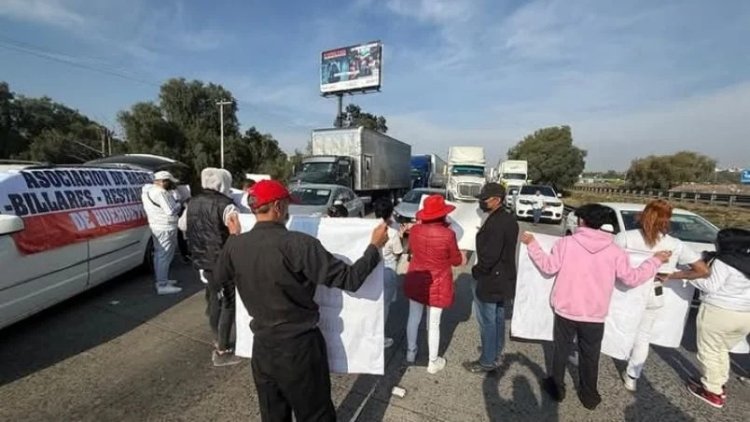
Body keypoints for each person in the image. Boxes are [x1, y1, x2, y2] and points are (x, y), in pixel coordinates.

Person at [213, 180, 388, 421]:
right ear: (277, 206)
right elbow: (350, 280)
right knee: (315, 415)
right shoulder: (298, 244)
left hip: (262, 348)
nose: (288, 211)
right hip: (299, 350)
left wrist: (233, 237)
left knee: (273, 415)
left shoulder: (236, 245)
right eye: (286, 205)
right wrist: (373, 248)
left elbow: (218, 278)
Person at [520, 203, 671, 410]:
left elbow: (548, 267)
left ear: (582, 221)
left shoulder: (566, 243)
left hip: (566, 309)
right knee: (590, 355)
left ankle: (557, 387)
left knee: (561, 350)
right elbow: (631, 278)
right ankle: (589, 395)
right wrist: (655, 261)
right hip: (595, 314)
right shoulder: (615, 250)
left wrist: (532, 244)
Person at [617, 200, 709, 391]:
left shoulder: (625, 237)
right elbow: (702, 270)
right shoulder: (675, 244)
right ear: (667, 221)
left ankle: (610, 353)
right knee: (643, 336)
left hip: (624, 291)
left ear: (644, 215)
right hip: (654, 292)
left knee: (614, 326)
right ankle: (632, 377)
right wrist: (673, 275)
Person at [183, 168, 243, 367]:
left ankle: (216, 337)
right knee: (228, 303)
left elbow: (182, 225)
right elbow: (236, 231)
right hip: (222, 261)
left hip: (202, 260)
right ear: (224, 183)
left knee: (213, 298)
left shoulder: (192, 202)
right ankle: (223, 350)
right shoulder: (226, 205)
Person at [684, 228, 750, 409]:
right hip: (745, 315)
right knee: (721, 349)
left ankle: (713, 392)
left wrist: (690, 276)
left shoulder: (724, 262)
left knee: (709, 351)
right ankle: (717, 382)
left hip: (719, 312)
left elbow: (711, 286)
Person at [403, 195, 464, 374]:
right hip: (439, 282)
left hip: (417, 278)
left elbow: (412, 250)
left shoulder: (414, 231)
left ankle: (410, 352)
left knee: (413, 317)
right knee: (434, 323)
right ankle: (432, 361)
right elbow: (456, 260)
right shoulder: (448, 234)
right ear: (443, 215)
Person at [464, 183, 518, 373]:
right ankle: (495, 352)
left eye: (484, 199)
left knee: (487, 320)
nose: (481, 202)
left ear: (497, 199)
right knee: (497, 317)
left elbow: (490, 255)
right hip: (504, 278)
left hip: (491, 279)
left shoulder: (497, 223)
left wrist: (478, 270)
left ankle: (487, 361)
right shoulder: (508, 218)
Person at [142, 171, 183, 295]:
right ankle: (162, 284)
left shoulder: (147, 191)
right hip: (166, 226)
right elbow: (170, 211)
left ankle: (162, 280)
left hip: (156, 225)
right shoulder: (161, 193)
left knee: (159, 255)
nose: (171, 185)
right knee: (164, 255)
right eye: (169, 182)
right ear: (163, 181)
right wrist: (179, 203)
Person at [373, 197, 404, 349]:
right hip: (388, 270)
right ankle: (380, 338)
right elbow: (398, 252)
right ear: (390, 213)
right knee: (384, 308)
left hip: (371, 270)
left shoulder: (370, 228)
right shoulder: (392, 232)